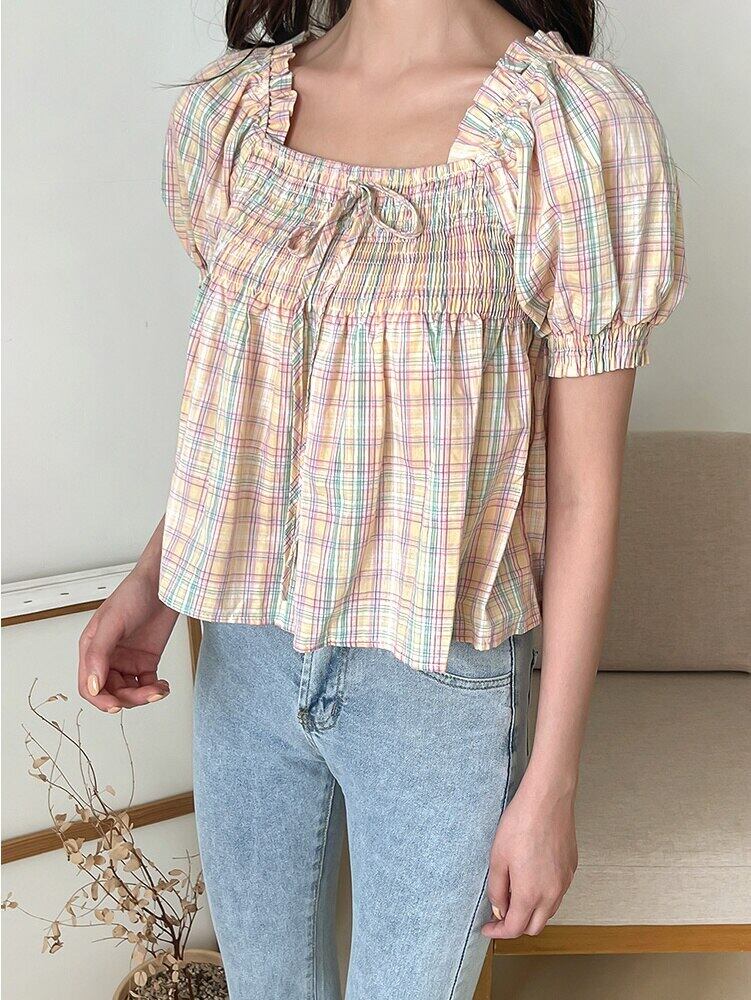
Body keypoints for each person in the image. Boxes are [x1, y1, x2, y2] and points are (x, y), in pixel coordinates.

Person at [77, 1, 687, 996]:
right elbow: (256, 425)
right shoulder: (236, 113)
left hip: (434, 685)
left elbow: (582, 494)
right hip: (244, 655)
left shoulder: (571, 128)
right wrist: (153, 583)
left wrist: (550, 784)